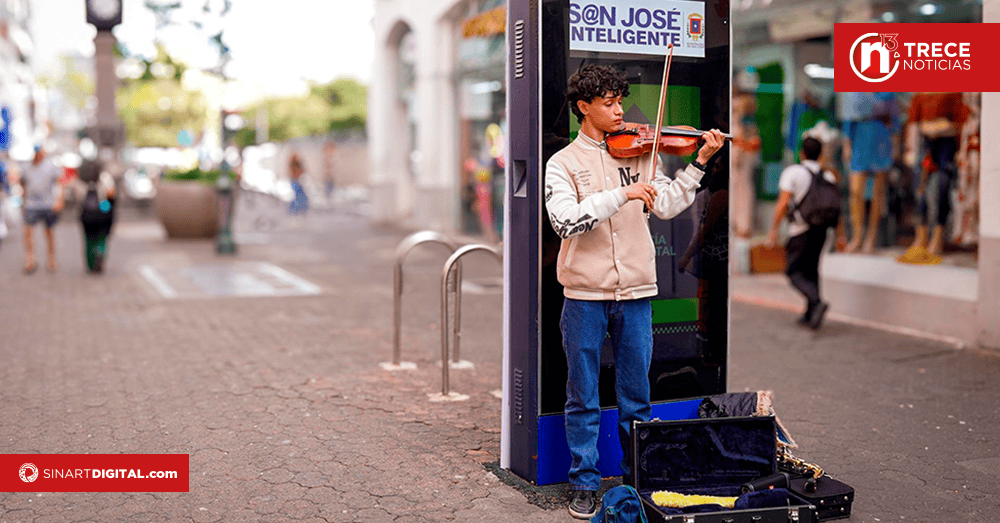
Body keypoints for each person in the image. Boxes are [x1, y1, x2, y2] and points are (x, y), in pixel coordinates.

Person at [544, 64, 724, 519]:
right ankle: (583, 483)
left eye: (621, 101)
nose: (620, 111)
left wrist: (699, 164)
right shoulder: (562, 164)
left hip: (638, 293)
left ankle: (636, 479)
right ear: (584, 108)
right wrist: (621, 196)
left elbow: (665, 203)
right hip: (584, 295)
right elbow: (565, 220)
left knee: (636, 394)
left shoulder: (641, 153)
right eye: (609, 103)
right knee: (582, 395)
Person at [766, 137, 836, 329]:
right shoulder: (828, 176)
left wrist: (774, 229)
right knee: (812, 270)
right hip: (821, 230)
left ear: (801, 153)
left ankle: (817, 302)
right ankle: (810, 314)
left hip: (800, 229)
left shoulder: (794, 172)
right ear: (821, 154)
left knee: (794, 272)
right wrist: (841, 235)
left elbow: (783, 202)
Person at [842, 92, 898, 253]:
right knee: (855, 191)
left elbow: (894, 121)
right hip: (860, 137)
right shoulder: (856, 91)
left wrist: (895, 144)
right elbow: (848, 118)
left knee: (877, 194)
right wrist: (847, 143)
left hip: (881, 137)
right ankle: (857, 235)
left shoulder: (888, 92)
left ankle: (871, 236)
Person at [19, 146, 64, 274]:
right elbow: (23, 183)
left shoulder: (50, 166)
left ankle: (51, 259)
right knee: (28, 231)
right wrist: (23, 199)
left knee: (49, 232)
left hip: (47, 204)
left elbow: (59, 183)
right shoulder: (27, 167)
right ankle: (30, 259)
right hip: (31, 204)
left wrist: (59, 200)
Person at [75, 159, 116, 273]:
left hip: (86, 212)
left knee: (88, 239)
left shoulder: (81, 178)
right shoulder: (105, 177)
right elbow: (111, 193)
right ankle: (100, 252)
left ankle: (90, 263)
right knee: (102, 236)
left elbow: (77, 196)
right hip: (102, 209)